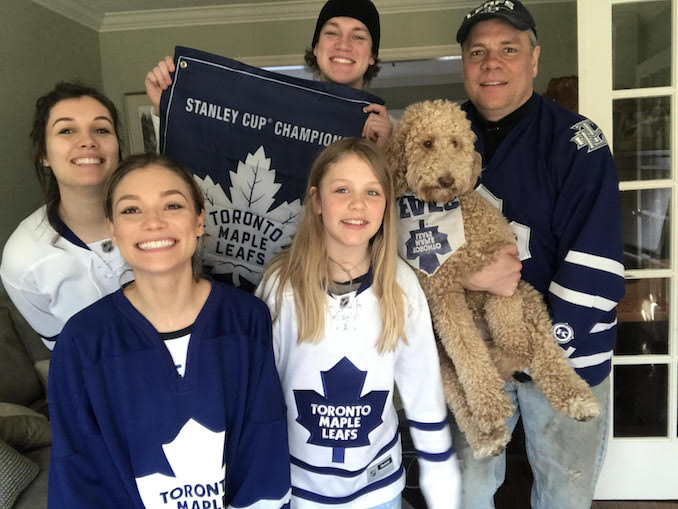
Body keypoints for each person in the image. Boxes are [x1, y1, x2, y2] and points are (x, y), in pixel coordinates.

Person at [454, 1, 626, 508]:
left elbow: (596, 266)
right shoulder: (442, 136)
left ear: (534, 59)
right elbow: (412, 238)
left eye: (508, 49)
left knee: (565, 491)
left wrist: (531, 349)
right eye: (478, 51)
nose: (492, 63)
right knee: (464, 488)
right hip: (476, 353)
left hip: (567, 353)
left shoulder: (578, 142)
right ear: (464, 63)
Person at [48, 153, 291, 508]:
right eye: (132, 210)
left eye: (172, 205)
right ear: (114, 229)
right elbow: (79, 474)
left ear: (198, 221)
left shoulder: (246, 321)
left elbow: (263, 449)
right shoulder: (84, 342)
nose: (154, 223)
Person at [256, 137, 461, 509]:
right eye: (342, 190)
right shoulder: (281, 285)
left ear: (386, 206)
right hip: (298, 487)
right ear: (316, 201)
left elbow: (421, 384)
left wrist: (439, 468)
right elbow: (257, 392)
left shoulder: (400, 284)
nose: (357, 204)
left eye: (372, 192)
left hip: (377, 486)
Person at [144, 0, 393, 148]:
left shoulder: (393, 132)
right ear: (316, 48)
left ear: (372, 55)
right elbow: (213, 150)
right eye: (331, 32)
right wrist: (166, 106)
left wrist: (387, 149)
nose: (343, 44)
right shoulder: (278, 113)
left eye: (358, 36)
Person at [0, 82, 131, 350]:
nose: (88, 141)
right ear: (44, 154)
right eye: (67, 130)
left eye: (101, 129)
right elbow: (66, 354)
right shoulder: (23, 259)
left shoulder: (166, 220)